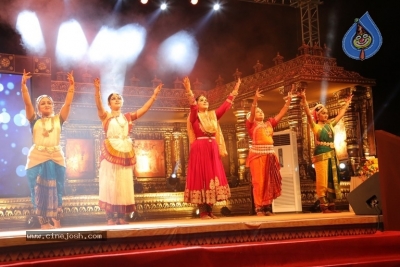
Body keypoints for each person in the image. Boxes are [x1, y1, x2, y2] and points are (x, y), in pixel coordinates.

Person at [94, 78, 162, 225]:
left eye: (119, 98)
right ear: (109, 103)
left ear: (122, 102)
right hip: (110, 151)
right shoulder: (105, 116)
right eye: (113, 98)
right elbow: (98, 105)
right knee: (110, 182)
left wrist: (154, 95)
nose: (117, 99)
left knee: (123, 182)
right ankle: (110, 217)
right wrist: (97, 90)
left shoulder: (127, 117)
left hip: (124, 150)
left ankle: (121, 216)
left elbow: (144, 109)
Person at [22, 69, 75, 229]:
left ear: (53, 106)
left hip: (56, 156)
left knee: (57, 187)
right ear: (38, 108)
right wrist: (24, 85)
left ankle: (56, 221)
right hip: (37, 157)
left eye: (49, 102)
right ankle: (43, 222)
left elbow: (67, 104)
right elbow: (27, 103)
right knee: (37, 189)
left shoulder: (59, 119)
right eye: (43, 103)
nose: (46, 105)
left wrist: (71, 87)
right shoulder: (34, 119)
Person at [183, 76, 240, 219]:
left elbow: (225, 107)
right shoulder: (194, 116)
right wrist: (189, 91)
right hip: (200, 149)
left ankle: (210, 211)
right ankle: (203, 211)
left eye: (206, 100)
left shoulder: (213, 116)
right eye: (201, 100)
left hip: (212, 149)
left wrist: (235, 91)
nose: (205, 101)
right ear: (197, 103)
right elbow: (193, 107)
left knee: (213, 178)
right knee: (202, 177)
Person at [301, 90, 352, 213]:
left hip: (332, 154)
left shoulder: (330, 125)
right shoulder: (315, 126)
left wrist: (347, 103)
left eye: (326, 113)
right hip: (321, 155)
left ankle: (331, 204)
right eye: (323, 113)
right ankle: (324, 206)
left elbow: (340, 115)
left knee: (333, 178)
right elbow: (308, 114)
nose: (326, 115)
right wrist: (304, 99)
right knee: (322, 179)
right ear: (317, 116)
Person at [246, 87, 293, 216]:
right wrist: (255, 100)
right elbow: (252, 111)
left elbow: (281, 114)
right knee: (259, 182)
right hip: (257, 156)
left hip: (270, 155)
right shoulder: (251, 125)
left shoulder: (269, 123)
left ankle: (267, 207)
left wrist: (288, 102)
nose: (260, 112)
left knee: (269, 181)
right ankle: (259, 207)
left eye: (261, 111)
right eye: (257, 111)